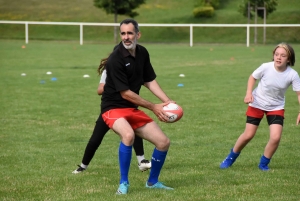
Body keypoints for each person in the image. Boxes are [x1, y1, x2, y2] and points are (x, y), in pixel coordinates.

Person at [101, 18, 175, 194]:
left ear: (138, 34)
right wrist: (154, 107)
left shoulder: (142, 53)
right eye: (123, 33)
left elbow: (149, 80)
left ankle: (152, 182)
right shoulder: (115, 59)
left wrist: (167, 101)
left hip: (132, 109)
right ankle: (123, 184)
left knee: (163, 142)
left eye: (130, 33)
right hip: (112, 108)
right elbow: (125, 93)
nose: (126, 37)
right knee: (128, 135)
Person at [220, 43, 300, 171]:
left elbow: (299, 94)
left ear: (289, 59)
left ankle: (263, 164)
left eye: (283, 56)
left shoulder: (292, 75)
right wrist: (248, 93)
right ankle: (230, 158)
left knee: (275, 137)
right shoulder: (266, 67)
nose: (279, 58)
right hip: (257, 102)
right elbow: (253, 77)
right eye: (276, 54)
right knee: (248, 135)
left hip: (276, 107)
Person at [72, 56, 151, 174]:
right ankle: (83, 166)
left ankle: (142, 161)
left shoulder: (133, 69)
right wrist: (115, 84)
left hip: (128, 107)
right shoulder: (109, 70)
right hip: (111, 109)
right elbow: (99, 90)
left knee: (134, 131)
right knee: (96, 139)